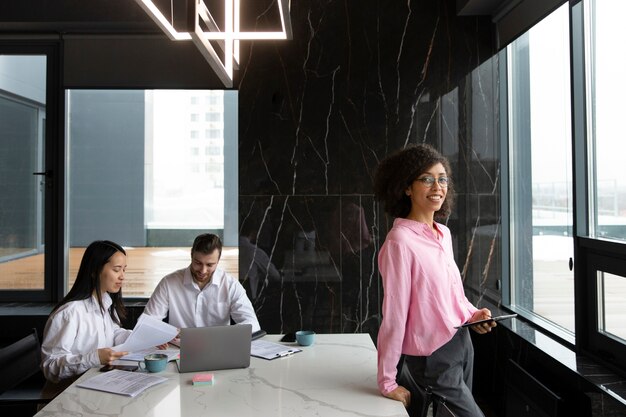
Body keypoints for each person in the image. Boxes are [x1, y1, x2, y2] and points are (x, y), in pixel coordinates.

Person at [373, 144, 495, 417]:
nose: (437, 186)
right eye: (426, 179)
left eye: (442, 179)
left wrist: (472, 314)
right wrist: (387, 381)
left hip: (461, 342)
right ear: (407, 187)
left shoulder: (443, 233)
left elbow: (451, 293)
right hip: (433, 356)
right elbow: (394, 315)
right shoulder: (400, 242)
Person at [41, 240, 132, 385]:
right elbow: (50, 367)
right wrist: (94, 358)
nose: (122, 276)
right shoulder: (69, 313)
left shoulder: (105, 301)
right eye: (116, 269)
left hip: (99, 383)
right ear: (95, 271)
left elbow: (113, 333)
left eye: (124, 269)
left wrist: (140, 337)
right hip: (68, 394)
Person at [144, 233, 260, 332]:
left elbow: (252, 325)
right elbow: (147, 323)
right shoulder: (168, 283)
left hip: (218, 348)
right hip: (178, 350)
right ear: (191, 255)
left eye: (209, 265)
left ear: (218, 261)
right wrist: (166, 333)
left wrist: (226, 335)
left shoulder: (231, 285)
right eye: (198, 263)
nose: (203, 271)